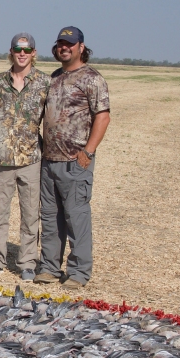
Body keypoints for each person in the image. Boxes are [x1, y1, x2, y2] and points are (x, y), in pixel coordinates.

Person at [34, 26, 111, 289]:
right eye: (60, 44)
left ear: (81, 47)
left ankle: (78, 271)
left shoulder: (92, 79)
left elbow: (103, 116)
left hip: (75, 161)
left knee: (76, 217)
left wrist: (88, 151)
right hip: (49, 160)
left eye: (69, 44)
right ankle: (49, 268)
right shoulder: (53, 77)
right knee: (50, 217)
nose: (64, 48)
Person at [0, 33, 51, 279]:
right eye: (17, 49)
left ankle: (27, 264)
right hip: (2, 160)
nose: (22, 54)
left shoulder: (44, 82)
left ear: (33, 52)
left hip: (31, 159)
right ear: (11, 52)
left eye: (26, 49)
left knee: (31, 216)